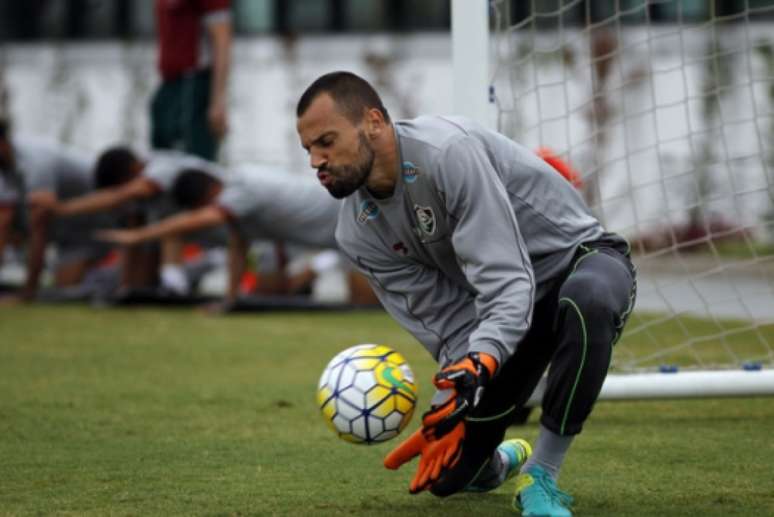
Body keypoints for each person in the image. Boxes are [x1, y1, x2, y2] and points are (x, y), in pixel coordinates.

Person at [295, 71, 637, 517]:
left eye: (326, 141)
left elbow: (507, 278)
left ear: (374, 121)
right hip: (510, 312)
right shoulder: (357, 233)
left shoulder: (447, 153)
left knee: (586, 301)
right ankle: (496, 463)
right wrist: (457, 394)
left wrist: (483, 360)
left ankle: (542, 474)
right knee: (445, 476)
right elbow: (451, 322)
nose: (316, 161)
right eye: (308, 149)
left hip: (580, 263)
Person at [96, 165, 378, 306]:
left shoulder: (241, 187)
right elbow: (237, 248)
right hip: (336, 238)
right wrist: (230, 301)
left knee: (365, 306)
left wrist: (137, 237)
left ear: (207, 195)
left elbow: (197, 221)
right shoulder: (236, 207)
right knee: (270, 291)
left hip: (358, 223)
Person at [53, 146, 227, 294]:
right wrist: (126, 287)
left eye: (120, 185)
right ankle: (171, 288)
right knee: (160, 245)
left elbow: (124, 194)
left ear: (133, 169)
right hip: (201, 228)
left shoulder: (160, 168)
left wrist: (62, 209)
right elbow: (133, 237)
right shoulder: (146, 199)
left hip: (226, 223)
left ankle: (177, 286)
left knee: (171, 232)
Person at [0, 123, 111, 300]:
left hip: (101, 220)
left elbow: (39, 227)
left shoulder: (36, 161)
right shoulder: (6, 166)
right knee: (63, 287)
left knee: (68, 293)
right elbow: (4, 221)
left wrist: (28, 291)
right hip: (68, 229)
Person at [152, 0, 232, 161]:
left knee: (192, 165)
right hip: (169, 83)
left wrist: (217, 102)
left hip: (193, 84)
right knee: (162, 160)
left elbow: (222, 41)